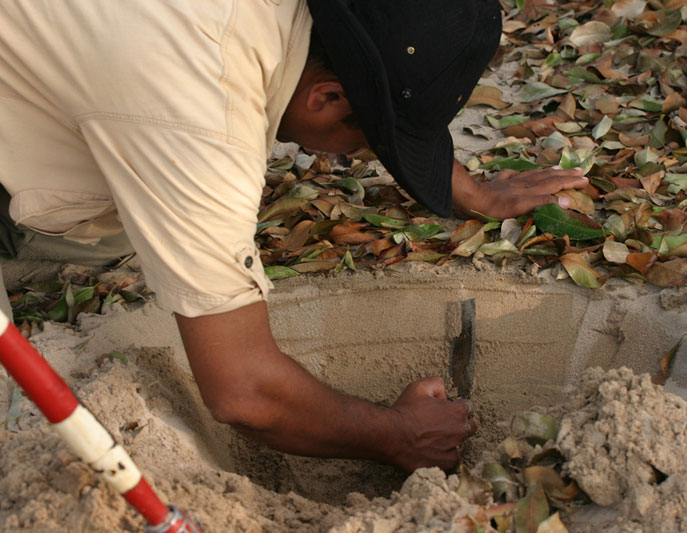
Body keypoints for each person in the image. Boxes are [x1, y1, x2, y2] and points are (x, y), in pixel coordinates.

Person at [0, 0, 587, 472]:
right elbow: (243, 392)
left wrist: (462, 187)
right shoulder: (201, 112)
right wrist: (396, 435)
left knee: (112, 231)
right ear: (327, 96)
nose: (359, 155)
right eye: (368, 143)